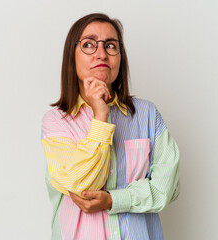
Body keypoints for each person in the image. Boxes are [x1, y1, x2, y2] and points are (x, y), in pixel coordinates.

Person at [41, 13, 180, 240]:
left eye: (111, 46)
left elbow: (168, 188)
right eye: (88, 44)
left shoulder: (147, 114)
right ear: (71, 57)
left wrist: (115, 200)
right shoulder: (56, 122)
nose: (101, 53)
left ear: (120, 58)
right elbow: (82, 185)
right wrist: (100, 116)